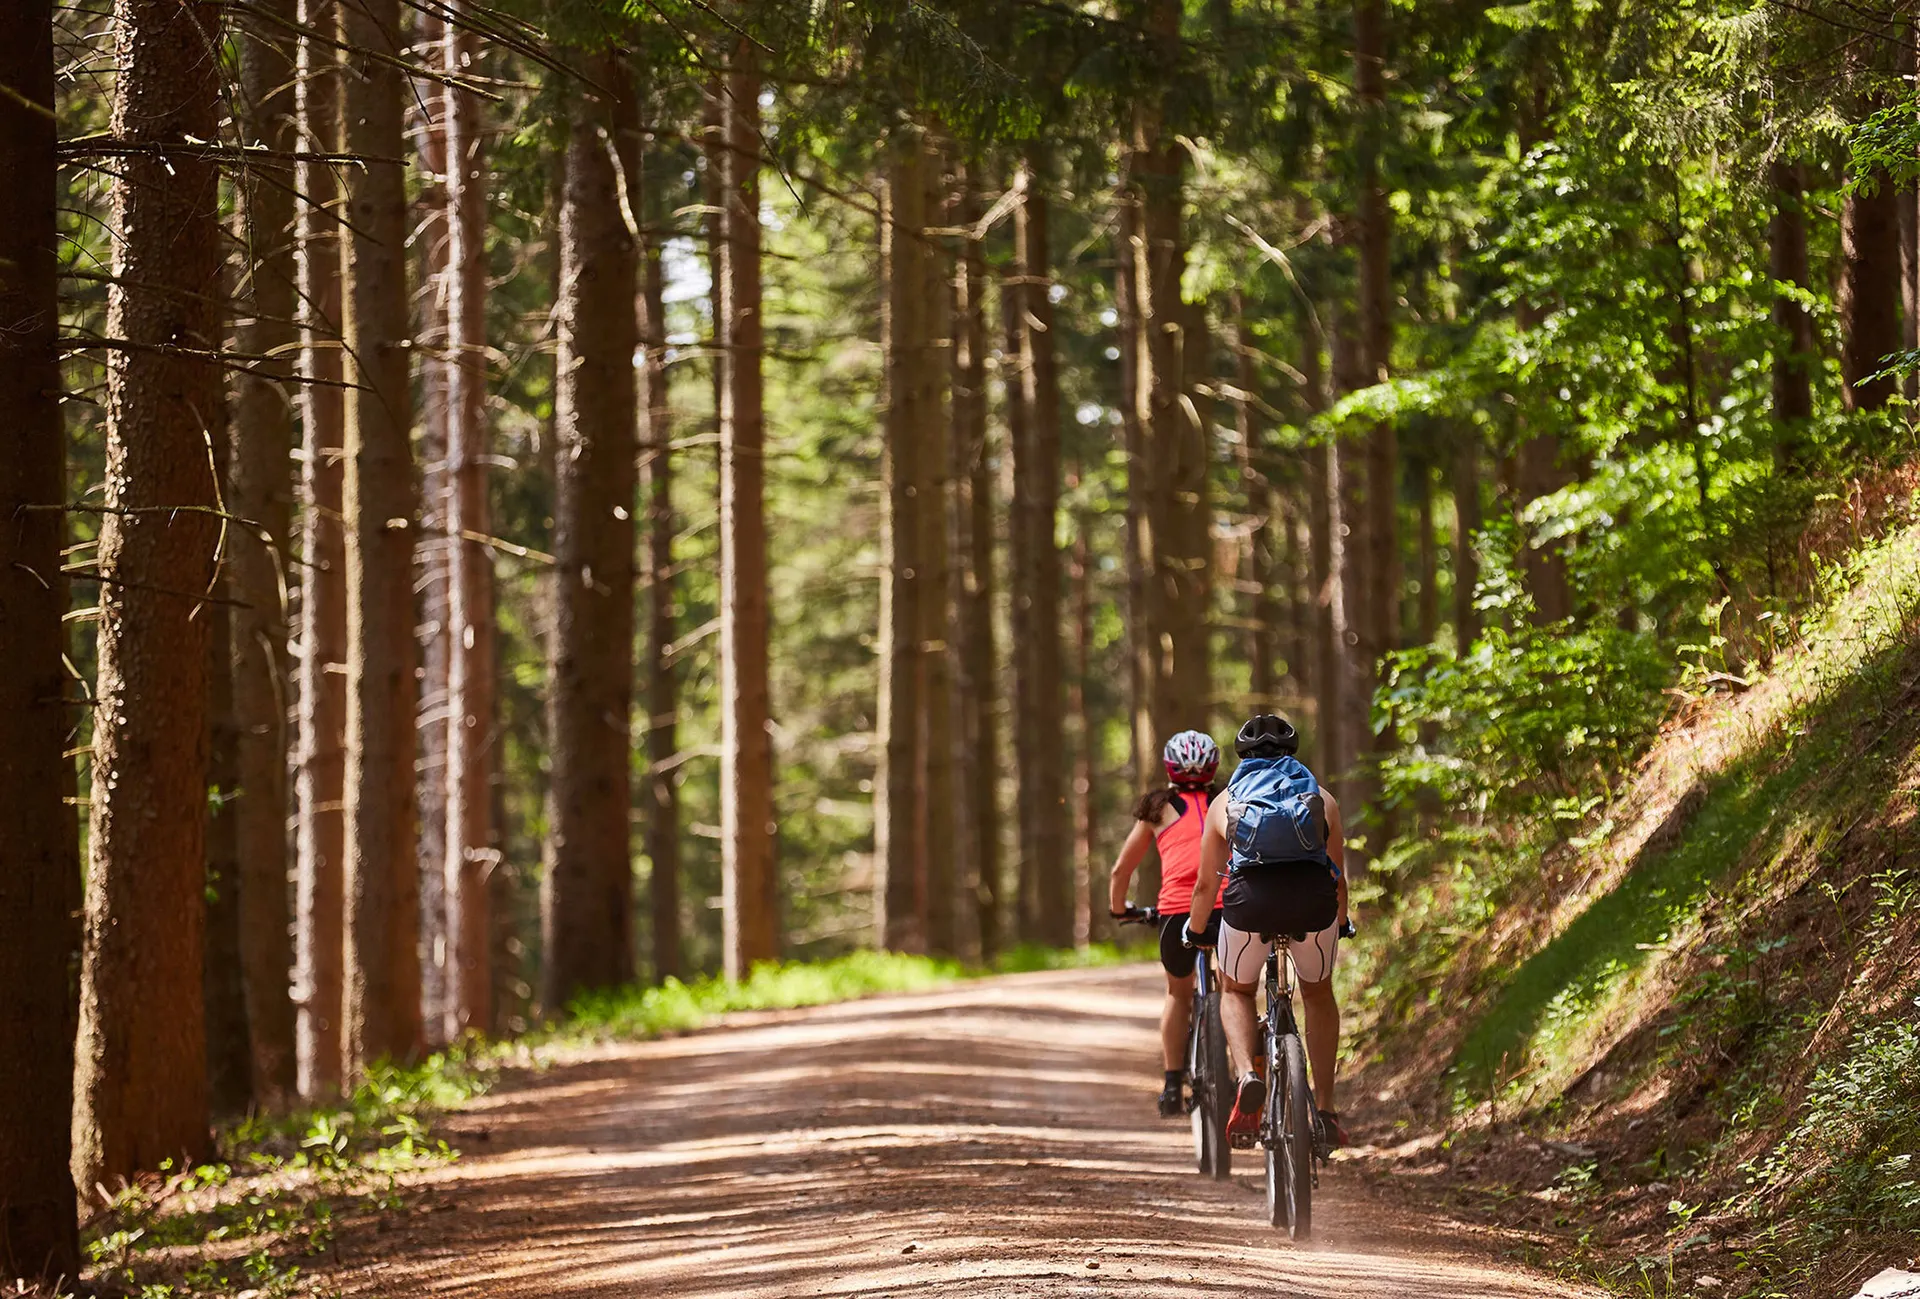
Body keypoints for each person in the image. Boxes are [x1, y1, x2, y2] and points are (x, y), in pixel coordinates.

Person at [1183, 713, 1352, 1148]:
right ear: (1291, 753)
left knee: (1236, 990)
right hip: (1313, 904)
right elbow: (1337, 878)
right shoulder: (1322, 798)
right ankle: (1328, 1111)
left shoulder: (1225, 801)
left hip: (1250, 905)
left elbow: (1206, 884)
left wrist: (1196, 929)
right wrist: (1343, 921)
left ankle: (1248, 1076)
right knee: (1317, 994)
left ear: (1243, 755)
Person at [1106, 729, 1225, 1118]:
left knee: (1179, 994)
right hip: (1228, 907)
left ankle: (1173, 1084)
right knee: (1236, 990)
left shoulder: (1158, 807)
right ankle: (1247, 1073)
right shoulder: (1229, 800)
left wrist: (1120, 908)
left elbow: (1121, 868)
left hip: (1178, 912)